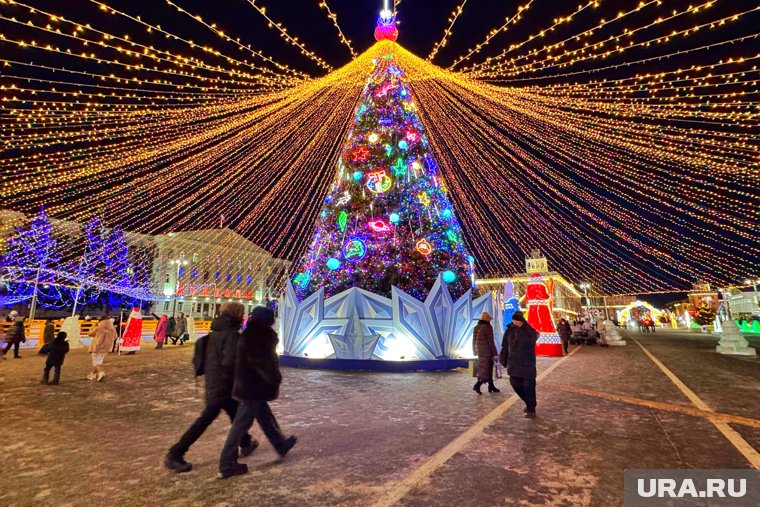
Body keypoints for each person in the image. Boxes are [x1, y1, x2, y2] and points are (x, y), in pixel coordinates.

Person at [164, 302, 257, 474]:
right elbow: (230, 362)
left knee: (235, 416)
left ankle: (246, 442)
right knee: (209, 419)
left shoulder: (215, 332)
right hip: (225, 386)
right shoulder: (231, 334)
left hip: (214, 383)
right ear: (237, 315)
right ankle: (175, 453)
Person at [218, 306, 297, 479]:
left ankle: (280, 444)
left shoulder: (248, 334)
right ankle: (226, 463)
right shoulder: (261, 337)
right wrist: (275, 377)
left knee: (266, 417)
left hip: (246, 385)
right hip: (252, 387)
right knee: (240, 426)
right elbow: (263, 363)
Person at [500, 311, 539, 418]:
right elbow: (504, 346)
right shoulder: (509, 330)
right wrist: (503, 359)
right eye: (514, 321)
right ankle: (529, 402)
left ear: (522, 321)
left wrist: (522, 329)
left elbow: (532, 339)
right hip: (514, 363)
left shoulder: (529, 331)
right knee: (514, 383)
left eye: (518, 321)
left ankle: (531, 409)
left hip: (527, 363)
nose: (516, 323)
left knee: (528, 386)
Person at [472, 311, 499, 395]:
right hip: (487, 352)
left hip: (480, 351)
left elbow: (474, 340)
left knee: (484, 368)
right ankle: (477, 385)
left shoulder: (477, 327)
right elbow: (490, 342)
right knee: (486, 369)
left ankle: (491, 386)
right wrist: (495, 353)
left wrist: (474, 351)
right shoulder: (487, 327)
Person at [88, 315, 116, 382]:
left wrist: (93, 326)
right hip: (107, 347)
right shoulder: (113, 328)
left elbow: (90, 334)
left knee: (95, 361)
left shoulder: (99, 327)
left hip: (97, 346)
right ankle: (92, 374)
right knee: (99, 361)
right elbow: (115, 337)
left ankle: (100, 372)